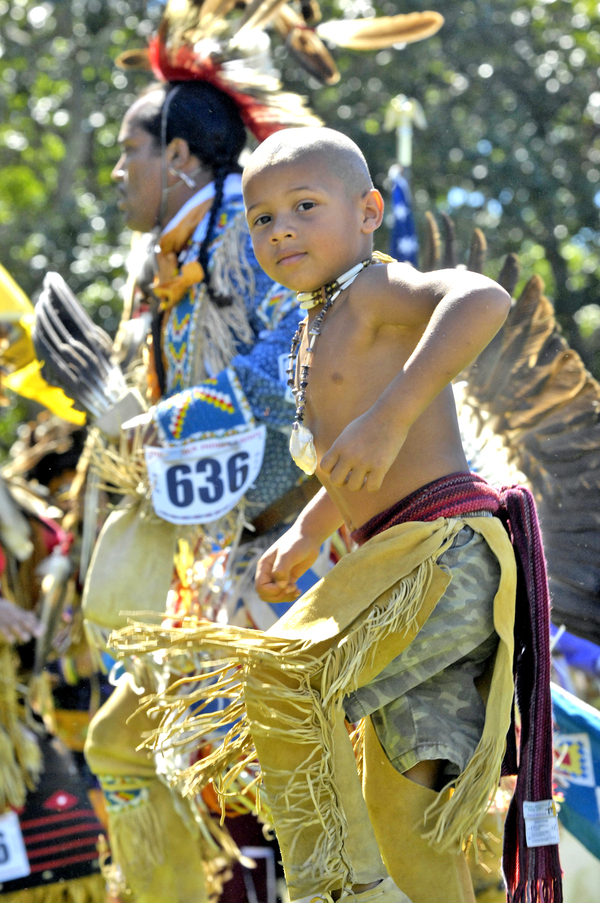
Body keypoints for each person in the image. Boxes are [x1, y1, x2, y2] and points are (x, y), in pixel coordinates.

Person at [112, 127, 560, 903]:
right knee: (409, 814)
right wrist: (309, 529)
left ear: (368, 211)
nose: (281, 228)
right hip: (399, 558)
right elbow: (350, 467)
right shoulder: (311, 326)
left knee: (282, 680)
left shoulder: (376, 290)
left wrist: (390, 414)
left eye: (305, 206)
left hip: (441, 557)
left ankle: (338, 888)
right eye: (261, 219)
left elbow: (480, 298)